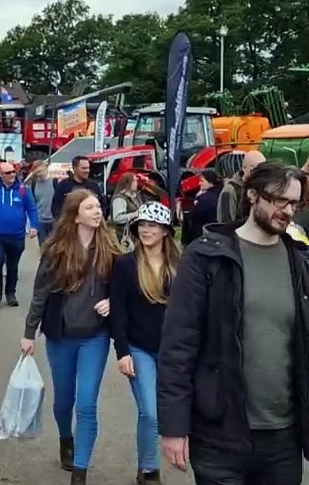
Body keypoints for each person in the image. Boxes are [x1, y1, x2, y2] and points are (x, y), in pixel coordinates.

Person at [158, 162, 309, 485]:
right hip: (219, 432)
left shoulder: (306, 266)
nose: (287, 211)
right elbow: (179, 345)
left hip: (284, 438)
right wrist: (174, 426)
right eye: (280, 201)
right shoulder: (206, 258)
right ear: (253, 196)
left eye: (295, 204)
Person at [21, 189, 121, 483]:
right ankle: (66, 438)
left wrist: (112, 300)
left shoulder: (110, 248)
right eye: (90, 207)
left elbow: (124, 285)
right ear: (76, 215)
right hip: (61, 335)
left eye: (98, 206)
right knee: (64, 400)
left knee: (87, 403)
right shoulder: (57, 250)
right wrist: (29, 332)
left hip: (95, 336)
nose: (98, 211)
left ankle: (80, 469)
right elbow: (40, 293)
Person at [110, 202, 179, 483]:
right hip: (139, 348)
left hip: (174, 349)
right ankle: (149, 470)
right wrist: (122, 351)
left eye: (153, 225)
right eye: (142, 224)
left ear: (165, 231)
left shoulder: (181, 264)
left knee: (177, 410)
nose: (146, 230)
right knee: (150, 412)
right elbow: (118, 311)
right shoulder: (126, 265)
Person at [0, 161, 40, 309]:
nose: (12, 175)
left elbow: (32, 209)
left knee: (13, 266)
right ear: (1, 175)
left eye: (13, 172)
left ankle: (11, 293)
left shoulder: (23, 190)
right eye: (8, 173)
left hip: (17, 235)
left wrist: (34, 226)